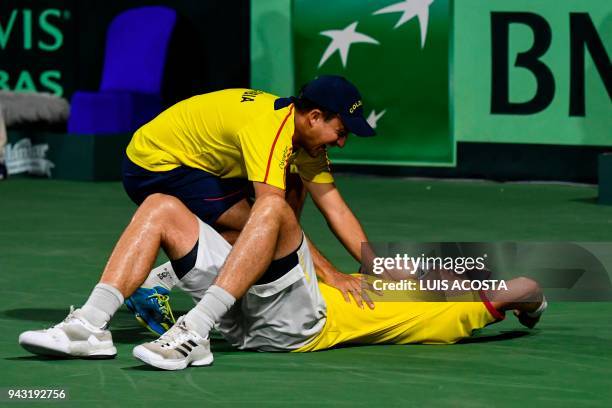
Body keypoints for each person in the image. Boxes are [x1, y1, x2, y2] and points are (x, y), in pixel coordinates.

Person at [19, 193, 546, 370]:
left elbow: (521, 286)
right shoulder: (378, 279)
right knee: (161, 207)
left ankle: (189, 323)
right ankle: (91, 325)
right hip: (248, 310)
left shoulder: (450, 311)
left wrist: (529, 303)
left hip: (299, 327)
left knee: (274, 209)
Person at [121, 75, 378, 316]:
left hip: (206, 165)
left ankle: (163, 279)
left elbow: (336, 209)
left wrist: (377, 265)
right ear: (314, 117)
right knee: (258, 229)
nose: (342, 143)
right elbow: (272, 219)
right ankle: (154, 284)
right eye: (341, 132)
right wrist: (331, 274)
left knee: (292, 186)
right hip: (156, 164)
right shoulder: (269, 132)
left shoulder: (304, 142)